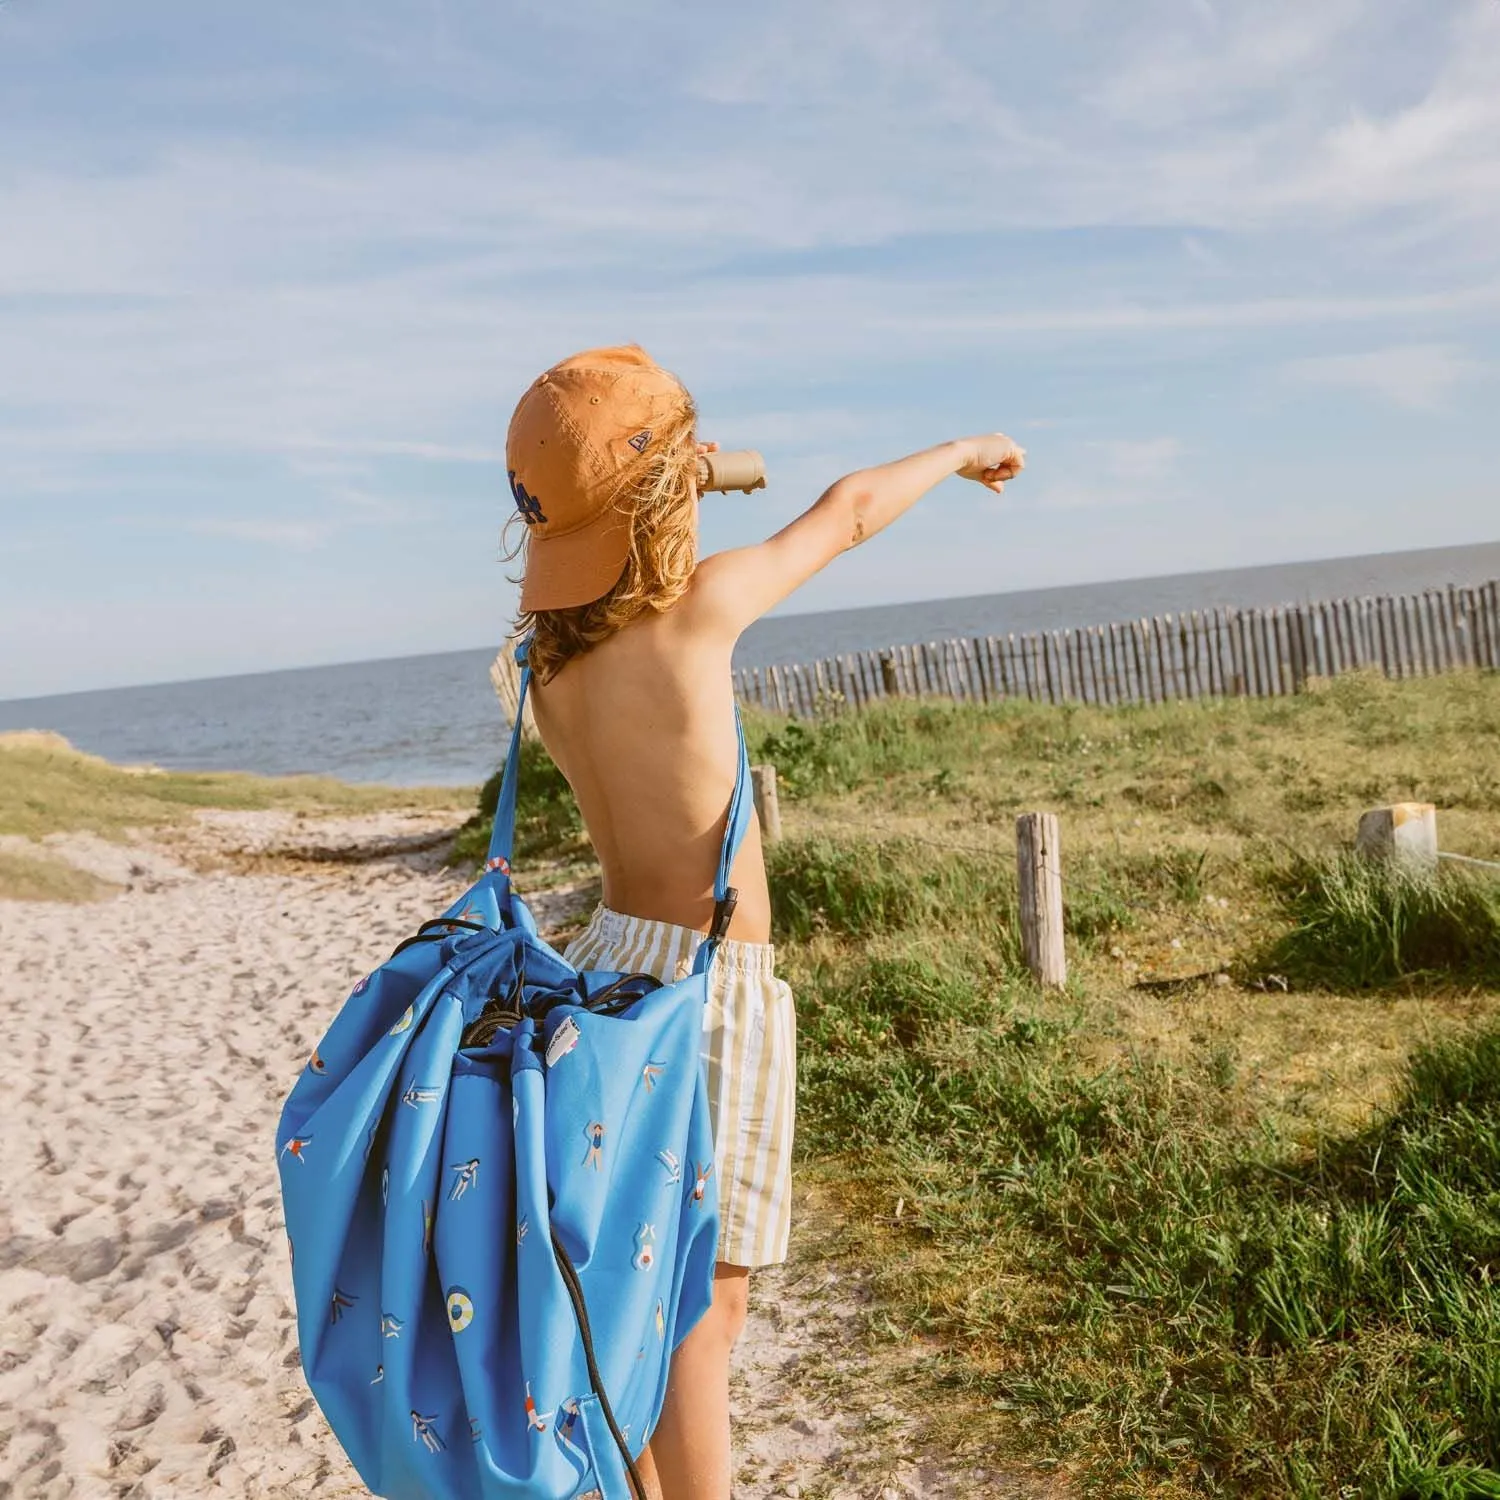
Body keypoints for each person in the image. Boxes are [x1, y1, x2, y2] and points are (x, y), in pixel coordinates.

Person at [504, 344, 1024, 1499]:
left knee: (647, 1284)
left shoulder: (550, 669)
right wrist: (959, 450)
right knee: (703, 1299)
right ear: (667, 490)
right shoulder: (696, 613)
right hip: (706, 986)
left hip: (605, 974)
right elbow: (845, 514)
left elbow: (626, 550)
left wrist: (674, 477)